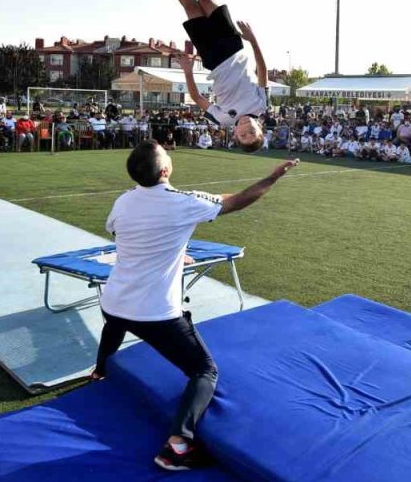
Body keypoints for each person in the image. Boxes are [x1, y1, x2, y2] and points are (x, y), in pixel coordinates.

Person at [92, 142, 298, 470]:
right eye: (166, 155)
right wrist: (272, 177)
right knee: (204, 370)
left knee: (115, 323)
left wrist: (173, 250)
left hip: (114, 300)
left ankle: (100, 370)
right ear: (165, 171)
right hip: (155, 313)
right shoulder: (183, 203)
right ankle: (178, 445)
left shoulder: (125, 200)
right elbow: (238, 200)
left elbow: (125, 233)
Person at [162, 0, 268, 153]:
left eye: (242, 136)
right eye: (252, 132)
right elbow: (263, 72)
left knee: (190, 7)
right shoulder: (261, 105)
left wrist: (188, 71)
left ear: (235, 135)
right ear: (261, 129)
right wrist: (253, 40)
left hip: (213, 58)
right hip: (234, 48)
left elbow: (197, 97)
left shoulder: (222, 119)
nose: (246, 129)